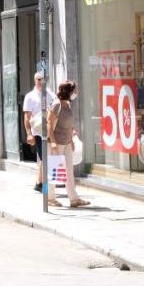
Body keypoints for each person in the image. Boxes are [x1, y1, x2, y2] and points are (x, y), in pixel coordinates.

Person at [46, 81, 89, 209]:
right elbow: (49, 123)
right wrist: (53, 142)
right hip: (56, 143)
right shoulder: (56, 104)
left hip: (66, 142)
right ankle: (49, 198)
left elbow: (69, 124)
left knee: (69, 171)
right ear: (68, 91)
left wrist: (71, 140)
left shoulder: (68, 104)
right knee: (55, 171)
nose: (76, 93)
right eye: (74, 90)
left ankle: (74, 199)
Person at [22, 72, 57, 193]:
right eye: (38, 79)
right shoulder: (30, 96)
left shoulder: (50, 94)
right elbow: (27, 116)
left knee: (45, 159)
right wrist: (29, 133)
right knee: (45, 159)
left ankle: (39, 184)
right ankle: (46, 190)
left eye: (42, 79)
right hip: (38, 132)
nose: (40, 81)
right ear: (34, 80)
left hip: (50, 131)